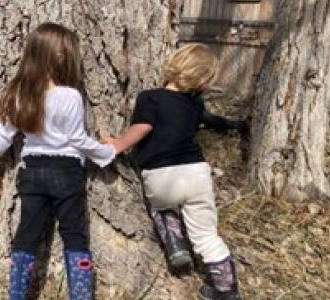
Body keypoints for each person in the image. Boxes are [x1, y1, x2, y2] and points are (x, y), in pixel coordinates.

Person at [0, 22, 116, 300]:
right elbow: (77, 140)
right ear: (61, 57)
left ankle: (17, 294)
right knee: (75, 234)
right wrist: (106, 153)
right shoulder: (70, 96)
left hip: (33, 171)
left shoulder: (19, 93)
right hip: (67, 172)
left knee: (27, 232)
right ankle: (82, 296)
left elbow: (2, 139)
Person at [105, 44, 246, 300]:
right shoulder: (194, 105)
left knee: (161, 208)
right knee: (206, 235)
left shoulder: (150, 97)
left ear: (175, 64)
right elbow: (211, 120)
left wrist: (118, 145)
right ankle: (226, 288)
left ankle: (175, 244)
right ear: (203, 81)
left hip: (161, 176)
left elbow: (143, 127)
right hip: (196, 173)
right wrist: (235, 126)